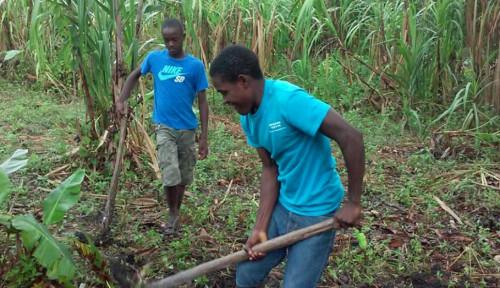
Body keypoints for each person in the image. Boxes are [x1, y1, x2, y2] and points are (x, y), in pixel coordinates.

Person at [209, 45, 365, 288]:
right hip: (284, 207)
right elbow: (269, 169)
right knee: (247, 275)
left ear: (243, 81)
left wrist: (353, 202)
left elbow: (351, 136)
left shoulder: (288, 100)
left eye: (224, 92)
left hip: (317, 211)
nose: (225, 101)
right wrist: (260, 227)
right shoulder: (248, 117)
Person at [116, 18, 209, 235]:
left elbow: (203, 102)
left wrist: (204, 136)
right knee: (170, 172)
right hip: (164, 126)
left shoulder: (194, 66)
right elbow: (133, 76)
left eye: (174, 40)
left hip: (187, 129)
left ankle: (176, 210)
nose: (170, 44)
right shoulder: (155, 59)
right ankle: (172, 212)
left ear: (183, 37)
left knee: (184, 176)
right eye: (166, 40)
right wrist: (121, 100)